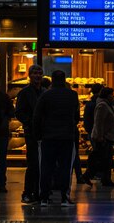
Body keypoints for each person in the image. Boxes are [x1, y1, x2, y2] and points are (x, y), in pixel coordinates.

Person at [33, 70, 80, 207]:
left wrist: (38, 135)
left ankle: (44, 198)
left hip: (48, 137)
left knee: (46, 167)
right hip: (67, 136)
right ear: (64, 79)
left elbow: (37, 116)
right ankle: (64, 198)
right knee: (65, 167)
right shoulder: (72, 95)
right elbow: (76, 116)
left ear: (52, 80)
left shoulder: (45, 95)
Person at [15, 64, 45, 204]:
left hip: (44, 133)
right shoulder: (24, 93)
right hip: (32, 132)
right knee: (33, 163)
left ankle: (39, 191)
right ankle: (27, 192)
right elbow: (19, 112)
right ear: (29, 75)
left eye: (39, 73)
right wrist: (29, 123)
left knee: (42, 163)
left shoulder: (45, 92)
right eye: (34, 73)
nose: (37, 75)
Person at [82, 87, 114, 187]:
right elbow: (98, 122)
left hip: (108, 136)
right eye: (112, 94)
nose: (113, 96)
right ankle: (89, 175)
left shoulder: (109, 105)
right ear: (107, 95)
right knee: (102, 159)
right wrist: (100, 136)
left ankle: (104, 179)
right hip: (103, 137)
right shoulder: (102, 105)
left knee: (106, 159)